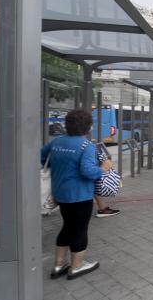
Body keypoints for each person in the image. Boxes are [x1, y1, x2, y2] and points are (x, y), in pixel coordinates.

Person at [41, 109, 112, 280]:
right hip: (80, 195)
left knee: (67, 226)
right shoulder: (86, 146)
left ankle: (58, 265)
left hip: (60, 194)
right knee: (79, 230)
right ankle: (76, 266)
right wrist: (104, 168)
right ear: (88, 127)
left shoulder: (56, 142)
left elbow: (43, 160)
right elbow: (88, 171)